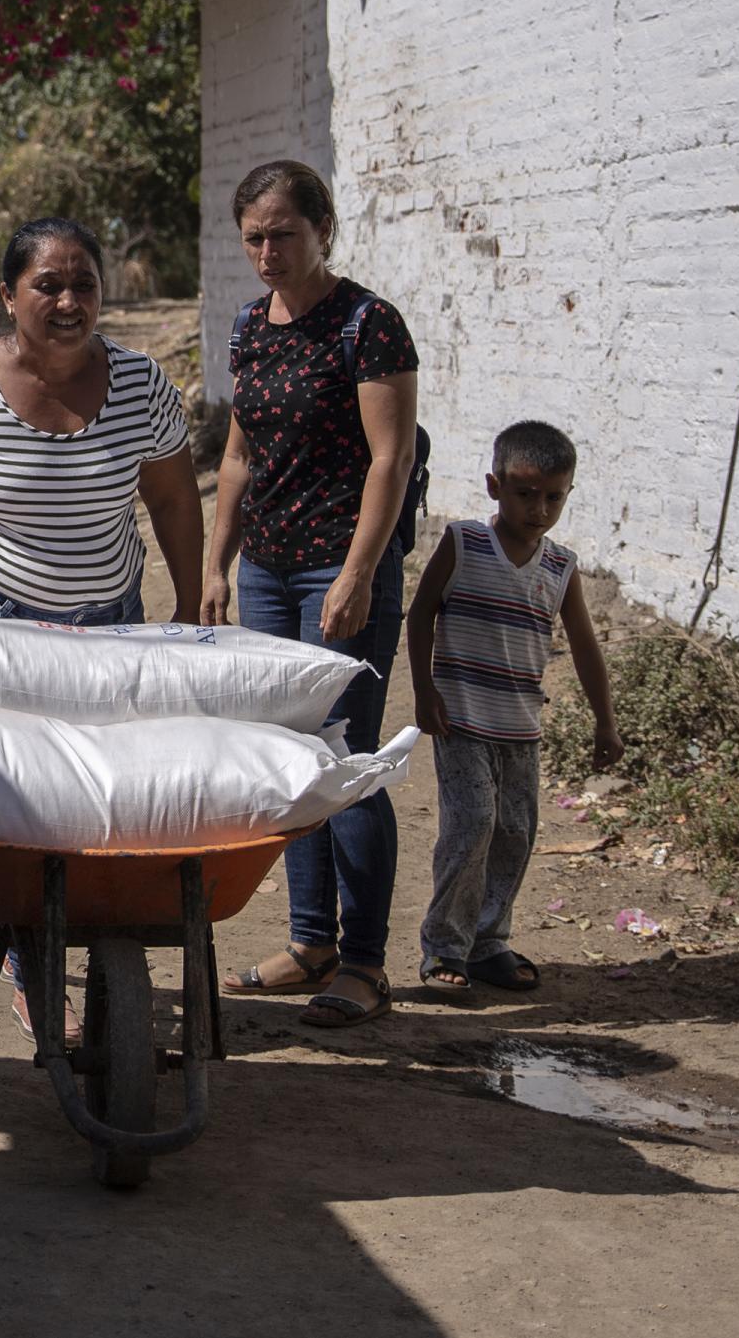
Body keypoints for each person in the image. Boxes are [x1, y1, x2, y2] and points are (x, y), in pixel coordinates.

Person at [0, 217, 204, 1029]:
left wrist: (192, 606)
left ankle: (79, 942)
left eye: (83, 283)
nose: (67, 300)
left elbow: (170, 498)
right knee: (19, 808)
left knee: (105, 802)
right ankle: (34, 961)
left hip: (104, 626)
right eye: (47, 285)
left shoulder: (140, 385)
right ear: (8, 295)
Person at [205, 159, 424, 1032]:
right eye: (254, 237)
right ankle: (310, 941)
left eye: (283, 234)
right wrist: (218, 565)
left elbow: (390, 460)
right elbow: (238, 455)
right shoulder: (251, 325)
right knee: (288, 761)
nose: (267, 252)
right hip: (265, 568)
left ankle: (366, 960)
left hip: (340, 568)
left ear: (322, 229)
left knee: (346, 761)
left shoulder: (370, 325)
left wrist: (359, 572)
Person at [408, 421, 623, 996]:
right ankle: (444, 946)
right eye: (525, 493)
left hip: (520, 727)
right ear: (494, 486)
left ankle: (488, 941)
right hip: (461, 719)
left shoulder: (560, 567)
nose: (540, 508)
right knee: (471, 823)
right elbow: (421, 612)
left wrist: (606, 721)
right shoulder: (464, 543)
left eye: (554, 496)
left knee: (514, 830)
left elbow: (583, 646)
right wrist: (423, 690)